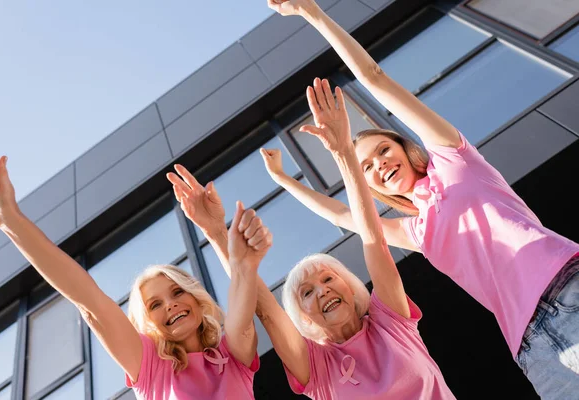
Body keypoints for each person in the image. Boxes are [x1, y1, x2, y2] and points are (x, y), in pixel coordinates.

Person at [264, 1, 579, 397]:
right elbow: (344, 214)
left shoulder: (454, 159)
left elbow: (374, 77)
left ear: (403, 146)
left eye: (382, 150)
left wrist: (313, 14)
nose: (378, 164)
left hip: (567, 285)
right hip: (532, 346)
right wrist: (282, 180)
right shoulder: (416, 231)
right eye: (366, 168)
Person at [166, 82, 455, 399]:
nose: (323, 290)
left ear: (349, 285)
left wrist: (345, 152)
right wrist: (216, 233)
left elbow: (372, 237)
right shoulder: (315, 367)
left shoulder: (390, 322)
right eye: (307, 292)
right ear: (302, 315)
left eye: (329, 279)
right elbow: (265, 309)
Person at [0, 156, 268, 400]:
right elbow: (90, 302)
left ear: (196, 297)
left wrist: (217, 231)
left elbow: (245, 289)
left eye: (177, 292)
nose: (170, 304)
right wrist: (10, 218)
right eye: (154, 305)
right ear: (148, 324)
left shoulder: (232, 356)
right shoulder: (150, 368)